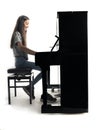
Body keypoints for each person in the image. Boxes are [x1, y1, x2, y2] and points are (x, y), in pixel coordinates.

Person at [10, 15, 57, 103]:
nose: (28, 25)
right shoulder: (17, 33)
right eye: (26, 23)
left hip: (22, 61)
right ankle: (35, 89)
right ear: (21, 23)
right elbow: (21, 47)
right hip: (21, 62)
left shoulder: (20, 34)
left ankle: (39, 91)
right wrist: (36, 54)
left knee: (45, 69)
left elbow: (23, 48)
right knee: (45, 68)